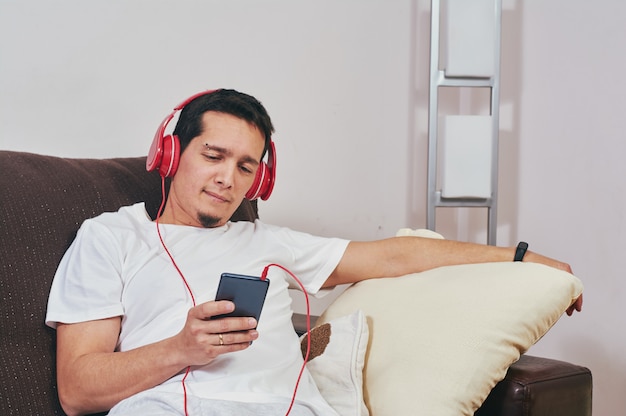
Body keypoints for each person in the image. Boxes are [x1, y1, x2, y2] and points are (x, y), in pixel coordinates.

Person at [45, 89, 582, 416]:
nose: (227, 179)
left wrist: (520, 260)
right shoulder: (109, 237)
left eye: (246, 166)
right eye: (213, 156)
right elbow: (76, 391)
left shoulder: (270, 243)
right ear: (170, 151)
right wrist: (181, 348)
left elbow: (398, 257)